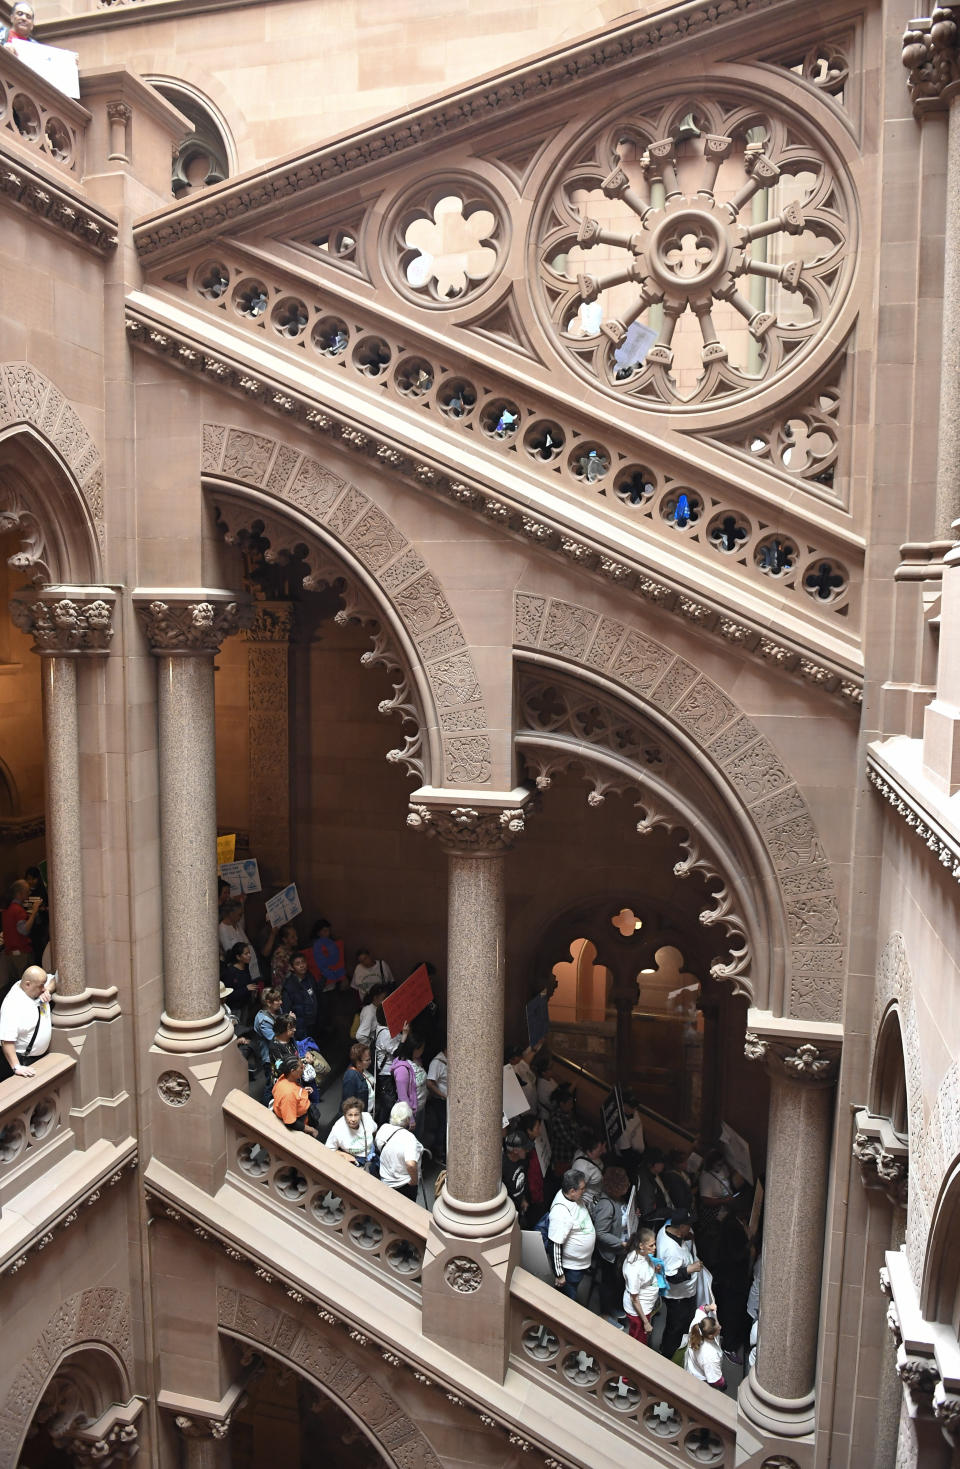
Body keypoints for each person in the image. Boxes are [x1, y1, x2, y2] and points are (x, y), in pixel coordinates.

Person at [657, 1209, 704, 1359]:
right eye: (688, 1225)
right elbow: (672, 1276)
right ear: (681, 1227)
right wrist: (691, 1268)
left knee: (678, 1324)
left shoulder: (666, 1229)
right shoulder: (671, 1250)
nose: (690, 1228)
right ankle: (668, 1355)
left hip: (682, 1295)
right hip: (678, 1297)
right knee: (675, 1327)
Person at [548, 1168, 596, 1301]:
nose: (584, 1190)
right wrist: (559, 1274)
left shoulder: (573, 1197)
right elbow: (555, 1244)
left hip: (581, 1263)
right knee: (569, 1297)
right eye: (582, 1188)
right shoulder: (560, 1213)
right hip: (571, 1267)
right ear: (572, 1191)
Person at [0, 964, 54, 1079]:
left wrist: (47, 990)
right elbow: (6, 1041)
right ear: (27, 984)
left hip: (42, 1056)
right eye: (41, 986)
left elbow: (56, 979)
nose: (43, 988)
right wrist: (17, 1067)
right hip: (25, 1060)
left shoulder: (35, 983)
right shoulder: (12, 1005)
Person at [593, 1166, 632, 1320]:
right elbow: (600, 1233)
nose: (628, 1186)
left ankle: (614, 1307)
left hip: (620, 1251)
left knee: (617, 1282)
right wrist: (620, 1244)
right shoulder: (606, 1205)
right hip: (610, 1254)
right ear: (616, 1187)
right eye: (625, 1184)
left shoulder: (617, 1198)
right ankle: (606, 1312)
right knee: (608, 1283)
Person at [375, 1100, 422, 1202]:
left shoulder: (383, 1128)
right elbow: (411, 1164)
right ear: (408, 1120)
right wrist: (414, 1182)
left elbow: (379, 1147)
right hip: (404, 1185)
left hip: (386, 1181)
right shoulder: (409, 1138)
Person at [622, 1228, 660, 1343]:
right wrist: (646, 1322)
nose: (655, 1248)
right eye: (651, 1245)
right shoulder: (633, 1269)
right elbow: (634, 1299)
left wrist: (654, 1269)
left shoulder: (643, 1254)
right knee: (638, 1340)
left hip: (647, 1305)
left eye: (655, 1244)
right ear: (641, 1246)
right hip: (639, 1311)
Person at [2, 879, 42, 983]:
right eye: (27, 891)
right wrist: (34, 912)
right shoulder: (18, 910)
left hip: (10, 954)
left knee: (14, 984)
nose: (29, 893)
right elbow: (24, 930)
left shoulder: (8, 908)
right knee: (27, 985)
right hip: (21, 954)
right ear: (20, 893)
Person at [271, 1055, 317, 1136]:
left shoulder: (284, 1078)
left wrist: (303, 1092)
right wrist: (311, 1130)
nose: (303, 1069)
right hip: (301, 1122)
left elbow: (294, 1092)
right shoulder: (288, 1094)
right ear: (292, 1071)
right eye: (301, 1068)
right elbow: (290, 1122)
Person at [684, 1306, 726, 1390]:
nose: (720, 1327)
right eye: (718, 1329)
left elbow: (701, 1309)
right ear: (711, 1335)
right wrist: (723, 1383)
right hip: (700, 1379)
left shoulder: (698, 1324)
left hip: (692, 1367)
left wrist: (710, 1307)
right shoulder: (710, 1354)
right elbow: (715, 1381)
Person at [219, 899, 260, 983]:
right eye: (239, 915)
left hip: (249, 966)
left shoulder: (238, 925)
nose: (240, 917)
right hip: (237, 971)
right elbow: (230, 952)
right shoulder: (222, 928)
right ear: (231, 914)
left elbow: (247, 943)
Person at [635, 1147, 677, 1229]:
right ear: (653, 1164)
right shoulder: (645, 1181)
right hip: (653, 1223)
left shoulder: (653, 1174)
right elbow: (648, 1212)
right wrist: (671, 1213)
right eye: (662, 1162)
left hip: (662, 1212)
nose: (663, 1165)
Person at [325, 1098, 376, 1164]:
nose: (353, 1119)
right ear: (345, 1115)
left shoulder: (367, 1118)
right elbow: (328, 1149)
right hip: (354, 1158)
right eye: (350, 1115)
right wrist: (346, 1156)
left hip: (371, 1152)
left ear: (361, 1114)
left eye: (356, 1115)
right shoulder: (338, 1129)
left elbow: (374, 1131)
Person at [282, 952, 319, 1041]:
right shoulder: (289, 986)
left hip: (313, 1021)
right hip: (300, 1026)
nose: (302, 965)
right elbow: (286, 1010)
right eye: (297, 964)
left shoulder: (310, 977)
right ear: (292, 967)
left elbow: (315, 995)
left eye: (303, 962)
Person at [547, 1085, 579, 1177]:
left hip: (567, 1155)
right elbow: (568, 1139)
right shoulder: (557, 1118)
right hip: (561, 1157)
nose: (571, 1106)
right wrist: (583, 1146)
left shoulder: (565, 1113)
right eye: (569, 1104)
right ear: (562, 1104)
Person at [221, 941, 257, 1020]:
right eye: (246, 954)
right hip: (235, 1008)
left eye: (249, 953)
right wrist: (246, 989)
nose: (249, 956)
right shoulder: (230, 972)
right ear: (238, 957)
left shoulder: (245, 966)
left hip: (245, 1005)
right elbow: (227, 994)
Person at [425, 1043, 447, 1164]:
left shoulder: (449, 1060)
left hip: (447, 1101)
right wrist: (443, 1095)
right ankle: (439, 1154)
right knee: (441, 1127)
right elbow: (430, 1083)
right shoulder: (437, 1062)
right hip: (439, 1101)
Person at [572, 1131, 605, 1210]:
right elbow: (576, 1192)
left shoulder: (584, 1154)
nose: (604, 1151)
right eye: (600, 1150)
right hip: (591, 1203)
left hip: (598, 1195)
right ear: (589, 1152)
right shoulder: (582, 1168)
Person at [311, 918, 346, 991]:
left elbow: (339, 963)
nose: (328, 933)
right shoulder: (312, 947)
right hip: (321, 985)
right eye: (325, 931)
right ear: (318, 933)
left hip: (333, 984)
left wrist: (343, 977)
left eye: (328, 931)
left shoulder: (333, 944)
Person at [615, 1091, 646, 1172]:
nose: (634, 1109)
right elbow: (624, 1148)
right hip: (625, 1156)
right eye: (632, 1107)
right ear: (624, 1105)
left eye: (635, 1107)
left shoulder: (635, 1114)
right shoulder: (620, 1120)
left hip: (636, 1151)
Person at [502, 1130, 530, 1216]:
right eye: (524, 1148)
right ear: (515, 1151)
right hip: (508, 1212)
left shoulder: (523, 1160)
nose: (527, 1150)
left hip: (520, 1208)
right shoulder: (502, 1166)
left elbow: (522, 1182)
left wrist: (523, 1199)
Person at [342, 1041, 375, 1114]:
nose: (370, 1061)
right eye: (367, 1060)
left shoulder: (361, 1070)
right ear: (358, 1062)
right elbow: (349, 1104)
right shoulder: (351, 1077)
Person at [23, 866, 48, 961]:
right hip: (27, 926)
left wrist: (42, 909)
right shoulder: (24, 891)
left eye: (33, 878)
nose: (30, 881)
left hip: (40, 927)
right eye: (28, 879)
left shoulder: (43, 891)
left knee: (40, 950)